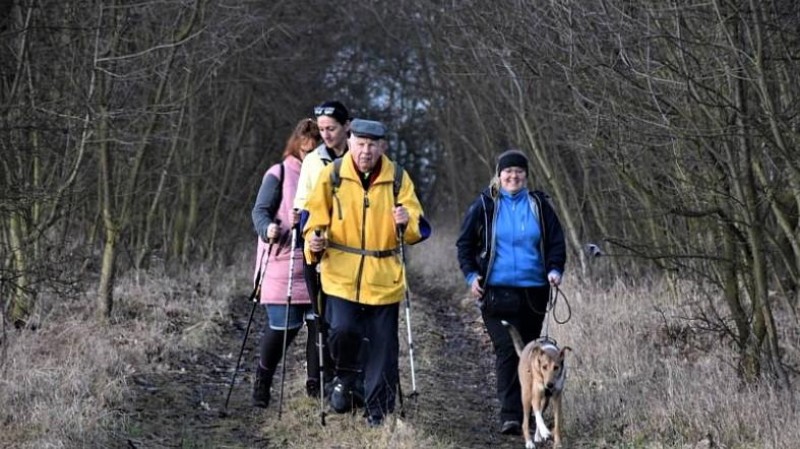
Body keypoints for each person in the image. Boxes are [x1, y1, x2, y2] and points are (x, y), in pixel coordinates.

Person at [303, 118, 431, 426]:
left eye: (373, 145)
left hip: (384, 277)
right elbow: (312, 218)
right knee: (342, 330)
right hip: (340, 275)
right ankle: (346, 378)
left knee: (383, 347)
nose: (366, 151)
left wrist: (406, 221)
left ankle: (378, 412)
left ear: (382, 146)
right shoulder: (331, 176)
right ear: (349, 143)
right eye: (360, 144)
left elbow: (419, 226)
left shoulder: (398, 178)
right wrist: (314, 239)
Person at [455, 149, 566, 436]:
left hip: (534, 292)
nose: (513, 176)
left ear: (525, 176)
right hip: (495, 292)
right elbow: (464, 244)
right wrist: (471, 275)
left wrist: (555, 270)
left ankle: (532, 412)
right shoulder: (485, 205)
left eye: (519, 172)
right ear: (499, 174)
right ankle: (511, 415)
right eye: (508, 172)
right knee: (507, 349)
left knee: (531, 353)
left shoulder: (538, 206)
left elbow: (556, 242)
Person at [250, 118, 322, 408]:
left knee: (320, 328)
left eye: (314, 150)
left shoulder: (329, 174)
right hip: (284, 263)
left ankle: (316, 387)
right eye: (304, 151)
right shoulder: (278, 174)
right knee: (282, 330)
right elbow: (260, 211)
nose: (309, 156)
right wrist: (270, 228)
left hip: (319, 264)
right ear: (296, 147)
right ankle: (263, 381)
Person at [293, 100, 351, 395]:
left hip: (352, 250)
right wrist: (304, 231)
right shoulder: (314, 160)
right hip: (317, 247)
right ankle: (319, 379)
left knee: (349, 318)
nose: (326, 134)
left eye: (331, 128)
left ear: (346, 127)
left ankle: (348, 376)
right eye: (322, 129)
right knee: (320, 317)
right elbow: (302, 204)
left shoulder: (360, 154)